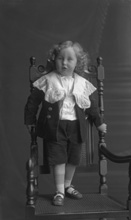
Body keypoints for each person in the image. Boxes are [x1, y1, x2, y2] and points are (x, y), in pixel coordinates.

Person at [24, 40, 107, 206]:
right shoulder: (48, 80)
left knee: (73, 158)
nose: (65, 62)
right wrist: (29, 120)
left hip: (76, 126)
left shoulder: (82, 84)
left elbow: (92, 107)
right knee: (58, 159)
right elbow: (33, 102)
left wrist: (99, 123)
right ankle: (59, 191)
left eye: (70, 59)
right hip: (55, 127)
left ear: (78, 63)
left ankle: (68, 185)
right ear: (54, 59)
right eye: (61, 58)